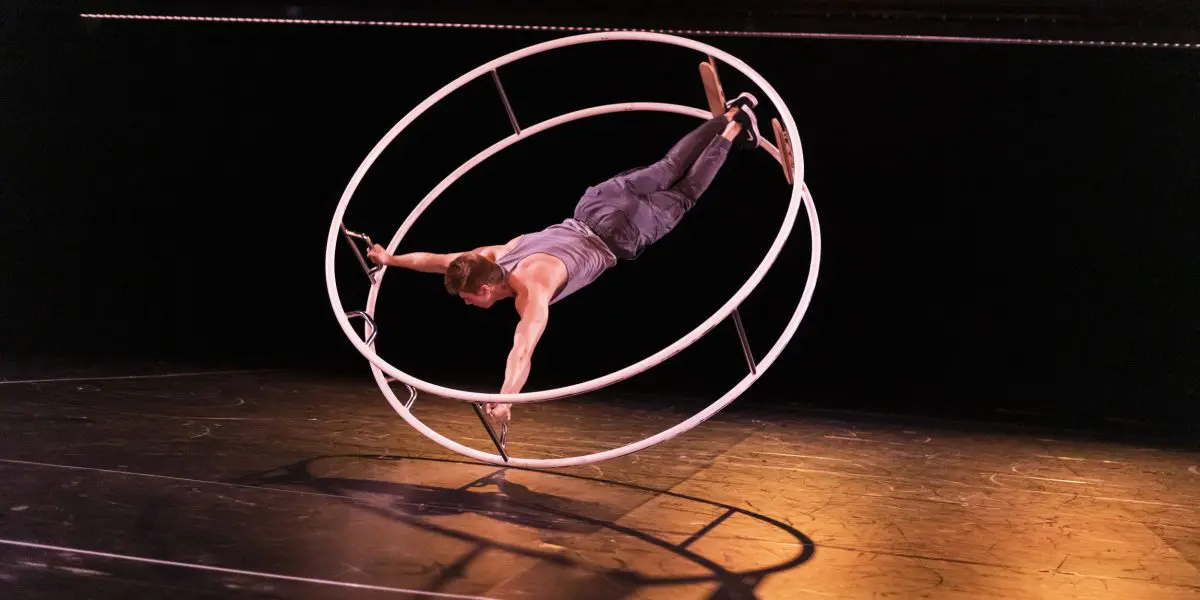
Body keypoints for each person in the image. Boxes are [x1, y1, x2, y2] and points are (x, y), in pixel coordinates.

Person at [367, 92, 763, 430]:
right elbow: (437, 261)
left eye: (469, 298)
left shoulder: (530, 290)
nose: (467, 303)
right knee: (668, 167)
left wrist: (507, 400)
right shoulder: (493, 255)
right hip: (597, 204)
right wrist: (391, 259)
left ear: (486, 289)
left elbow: (522, 349)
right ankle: (731, 113)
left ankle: (734, 127)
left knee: (688, 191)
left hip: (620, 234)